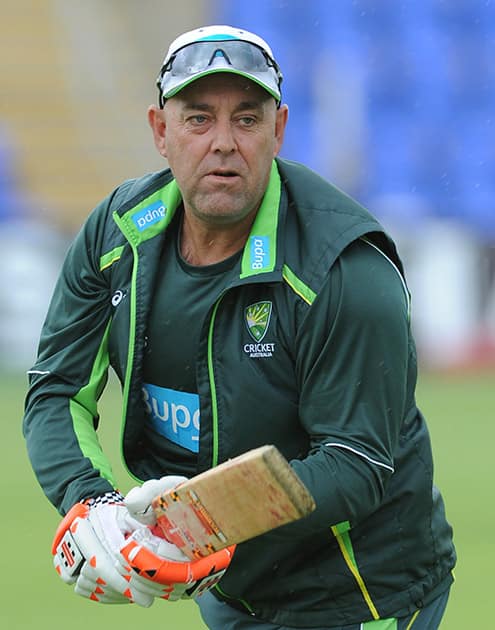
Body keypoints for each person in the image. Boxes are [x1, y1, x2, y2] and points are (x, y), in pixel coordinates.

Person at [23, 24, 456, 629]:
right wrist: (88, 504)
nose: (223, 142)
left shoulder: (343, 269)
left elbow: (358, 465)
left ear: (278, 131)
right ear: (160, 131)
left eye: (246, 120)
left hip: (364, 595)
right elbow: (56, 390)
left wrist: (194, 525)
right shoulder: (115, 235)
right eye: (199, 119)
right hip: (231, 594)